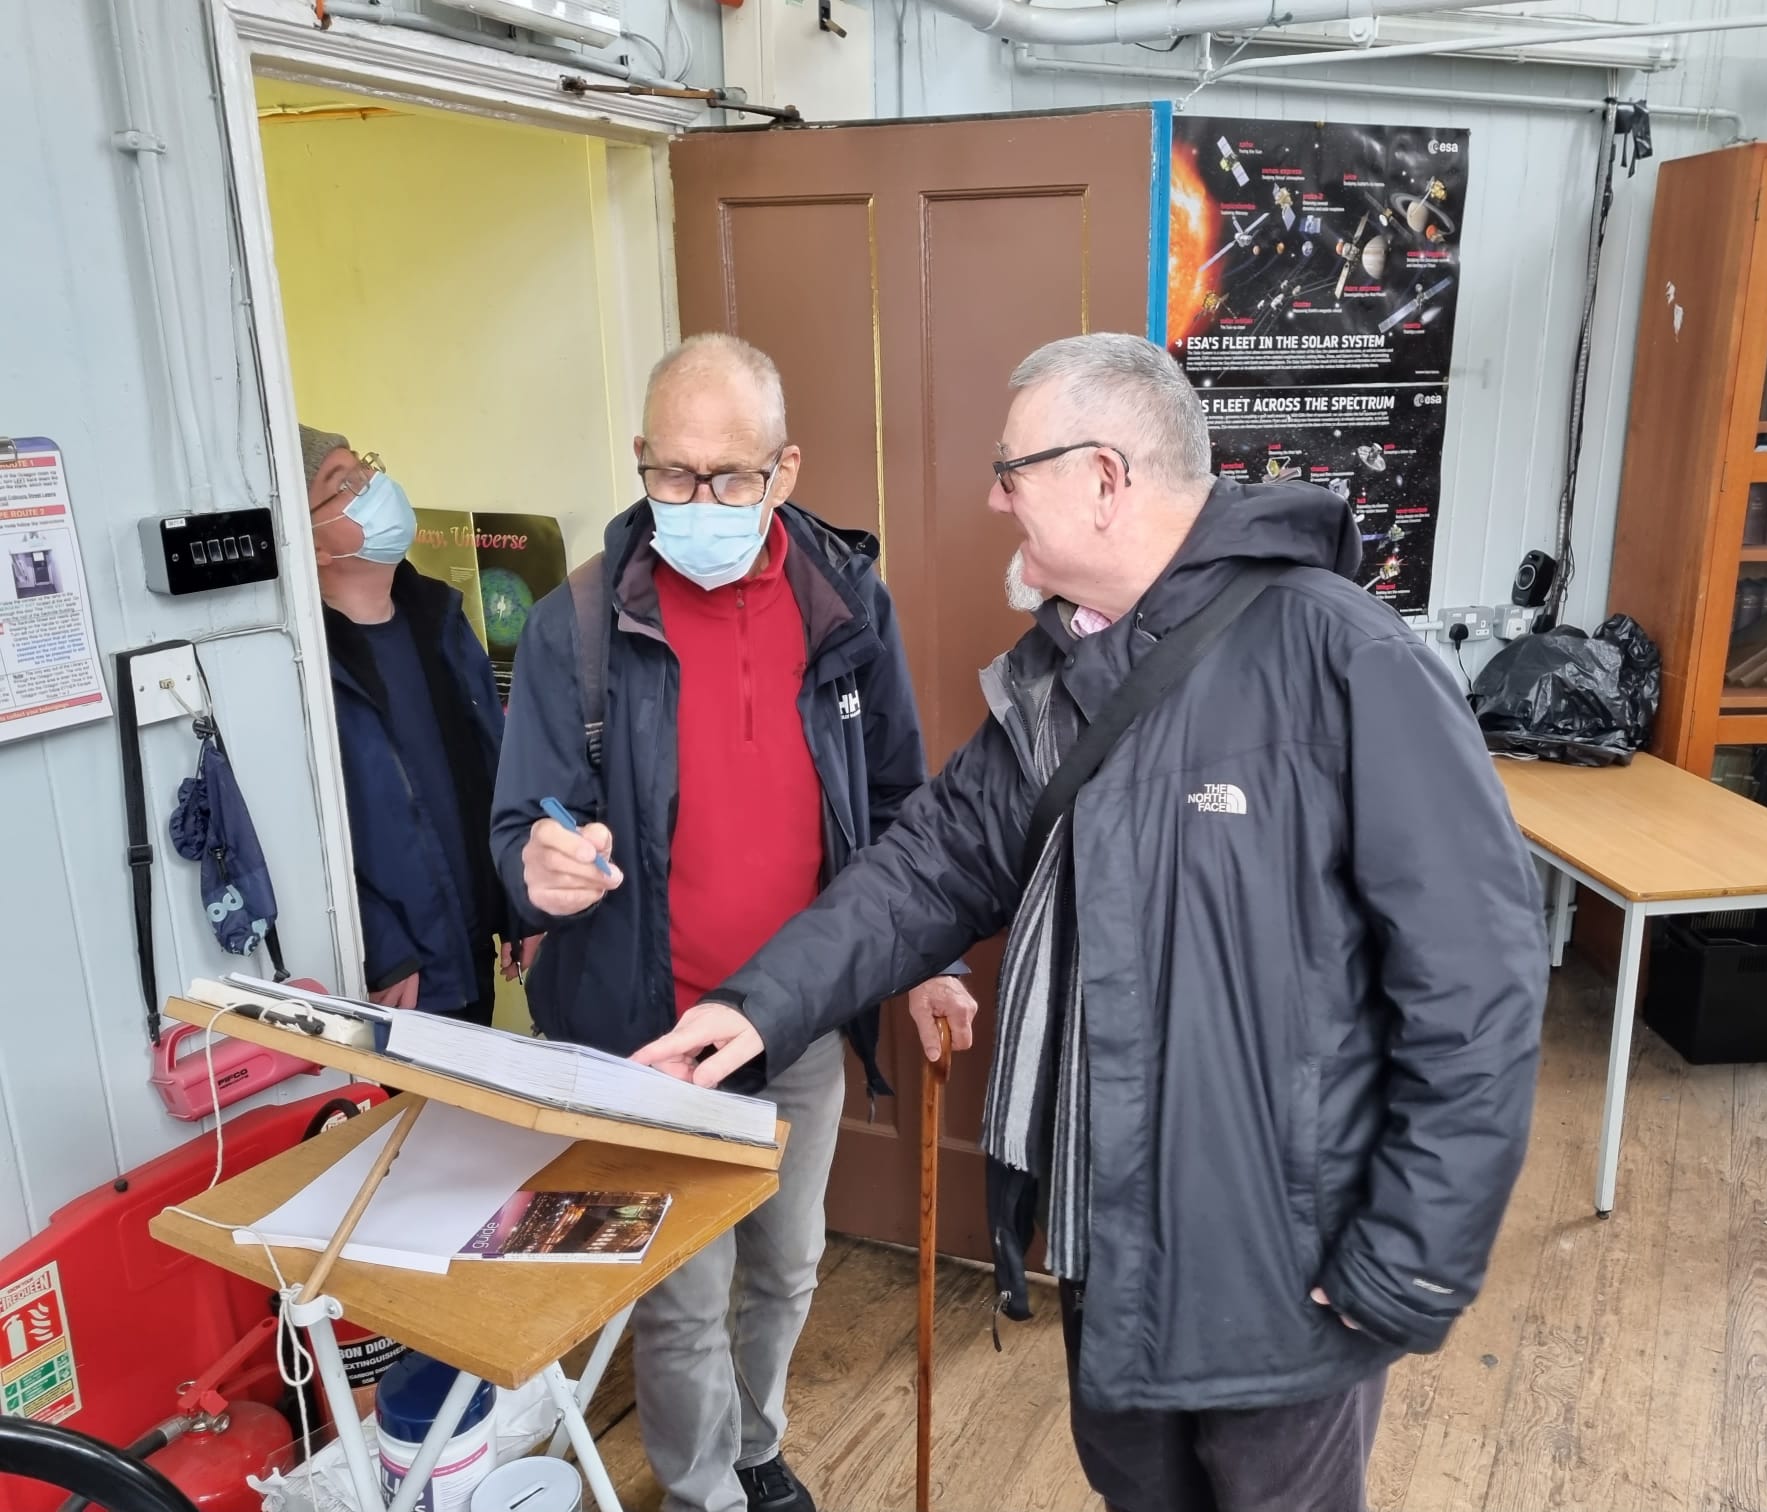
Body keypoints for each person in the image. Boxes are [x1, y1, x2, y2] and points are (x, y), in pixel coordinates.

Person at [633, 334, 1550, 1512]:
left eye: (1011, 470)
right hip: (1109, 1240)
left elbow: (1478, 987)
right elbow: (921, 871)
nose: (994, 498)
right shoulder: (1062, 672)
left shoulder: (1346, 658)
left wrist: (1407, 1261)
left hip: (1284, 1271)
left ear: (1106, 478)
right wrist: (756, 1008)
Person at [489, 334, 975, 1512]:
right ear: (641, 457)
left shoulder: (847, 606)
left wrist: (930, 959)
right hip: (651, 1037)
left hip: (798, 1021)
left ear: (784, 470)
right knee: (682, 1298)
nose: (697, 502)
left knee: (790, 1265)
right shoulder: (576, 626)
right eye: (672, 473)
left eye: (730, 478)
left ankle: (757, 1447)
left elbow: (902, 809)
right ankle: (703, 1491)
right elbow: (517, 829)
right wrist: (536, 869)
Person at [301, 426, 534, 1022]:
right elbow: (303, 832)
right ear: (313, 545)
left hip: (473, 945)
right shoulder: (305, 667)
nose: (372, 485)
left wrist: (521, 901)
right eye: (343, 484)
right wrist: (378, 945)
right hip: (400, 973)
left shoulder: (440, 618)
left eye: (365, 468)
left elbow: (499, 772)